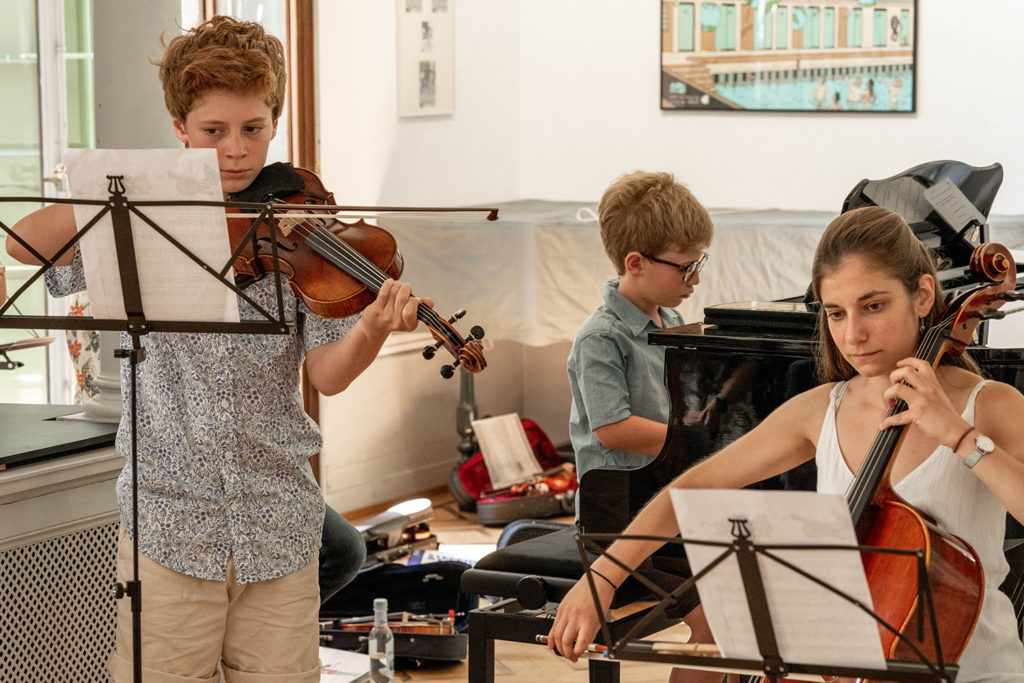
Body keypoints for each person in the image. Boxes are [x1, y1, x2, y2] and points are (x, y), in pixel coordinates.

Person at [6, 16, 428, 682]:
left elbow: (326, 371)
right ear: (180, 128)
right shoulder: (143, 221)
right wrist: (124, 190)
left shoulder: (299, 220)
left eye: (254, 128)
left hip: (278, 522)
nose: (237, 151)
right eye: (214, 131)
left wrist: (373, 326)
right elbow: (25, 245)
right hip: (170, 526)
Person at [548, 206, 1024, 681]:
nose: (853, 334)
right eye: (836, 313)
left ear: (922, 296)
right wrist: (603, 579)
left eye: (873, 306)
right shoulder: (821, 409)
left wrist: (961, 438)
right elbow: (692, 487)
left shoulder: (990, 406)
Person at [568, 170, 713, 517]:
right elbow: (615, 430)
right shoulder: (601, 337)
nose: (696, 278)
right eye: (686, 267)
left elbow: (678, 402)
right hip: (615, 505)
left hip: (660, 490)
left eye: (699, 263)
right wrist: (698, 442)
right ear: (636, 264)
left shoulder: (673, 321)